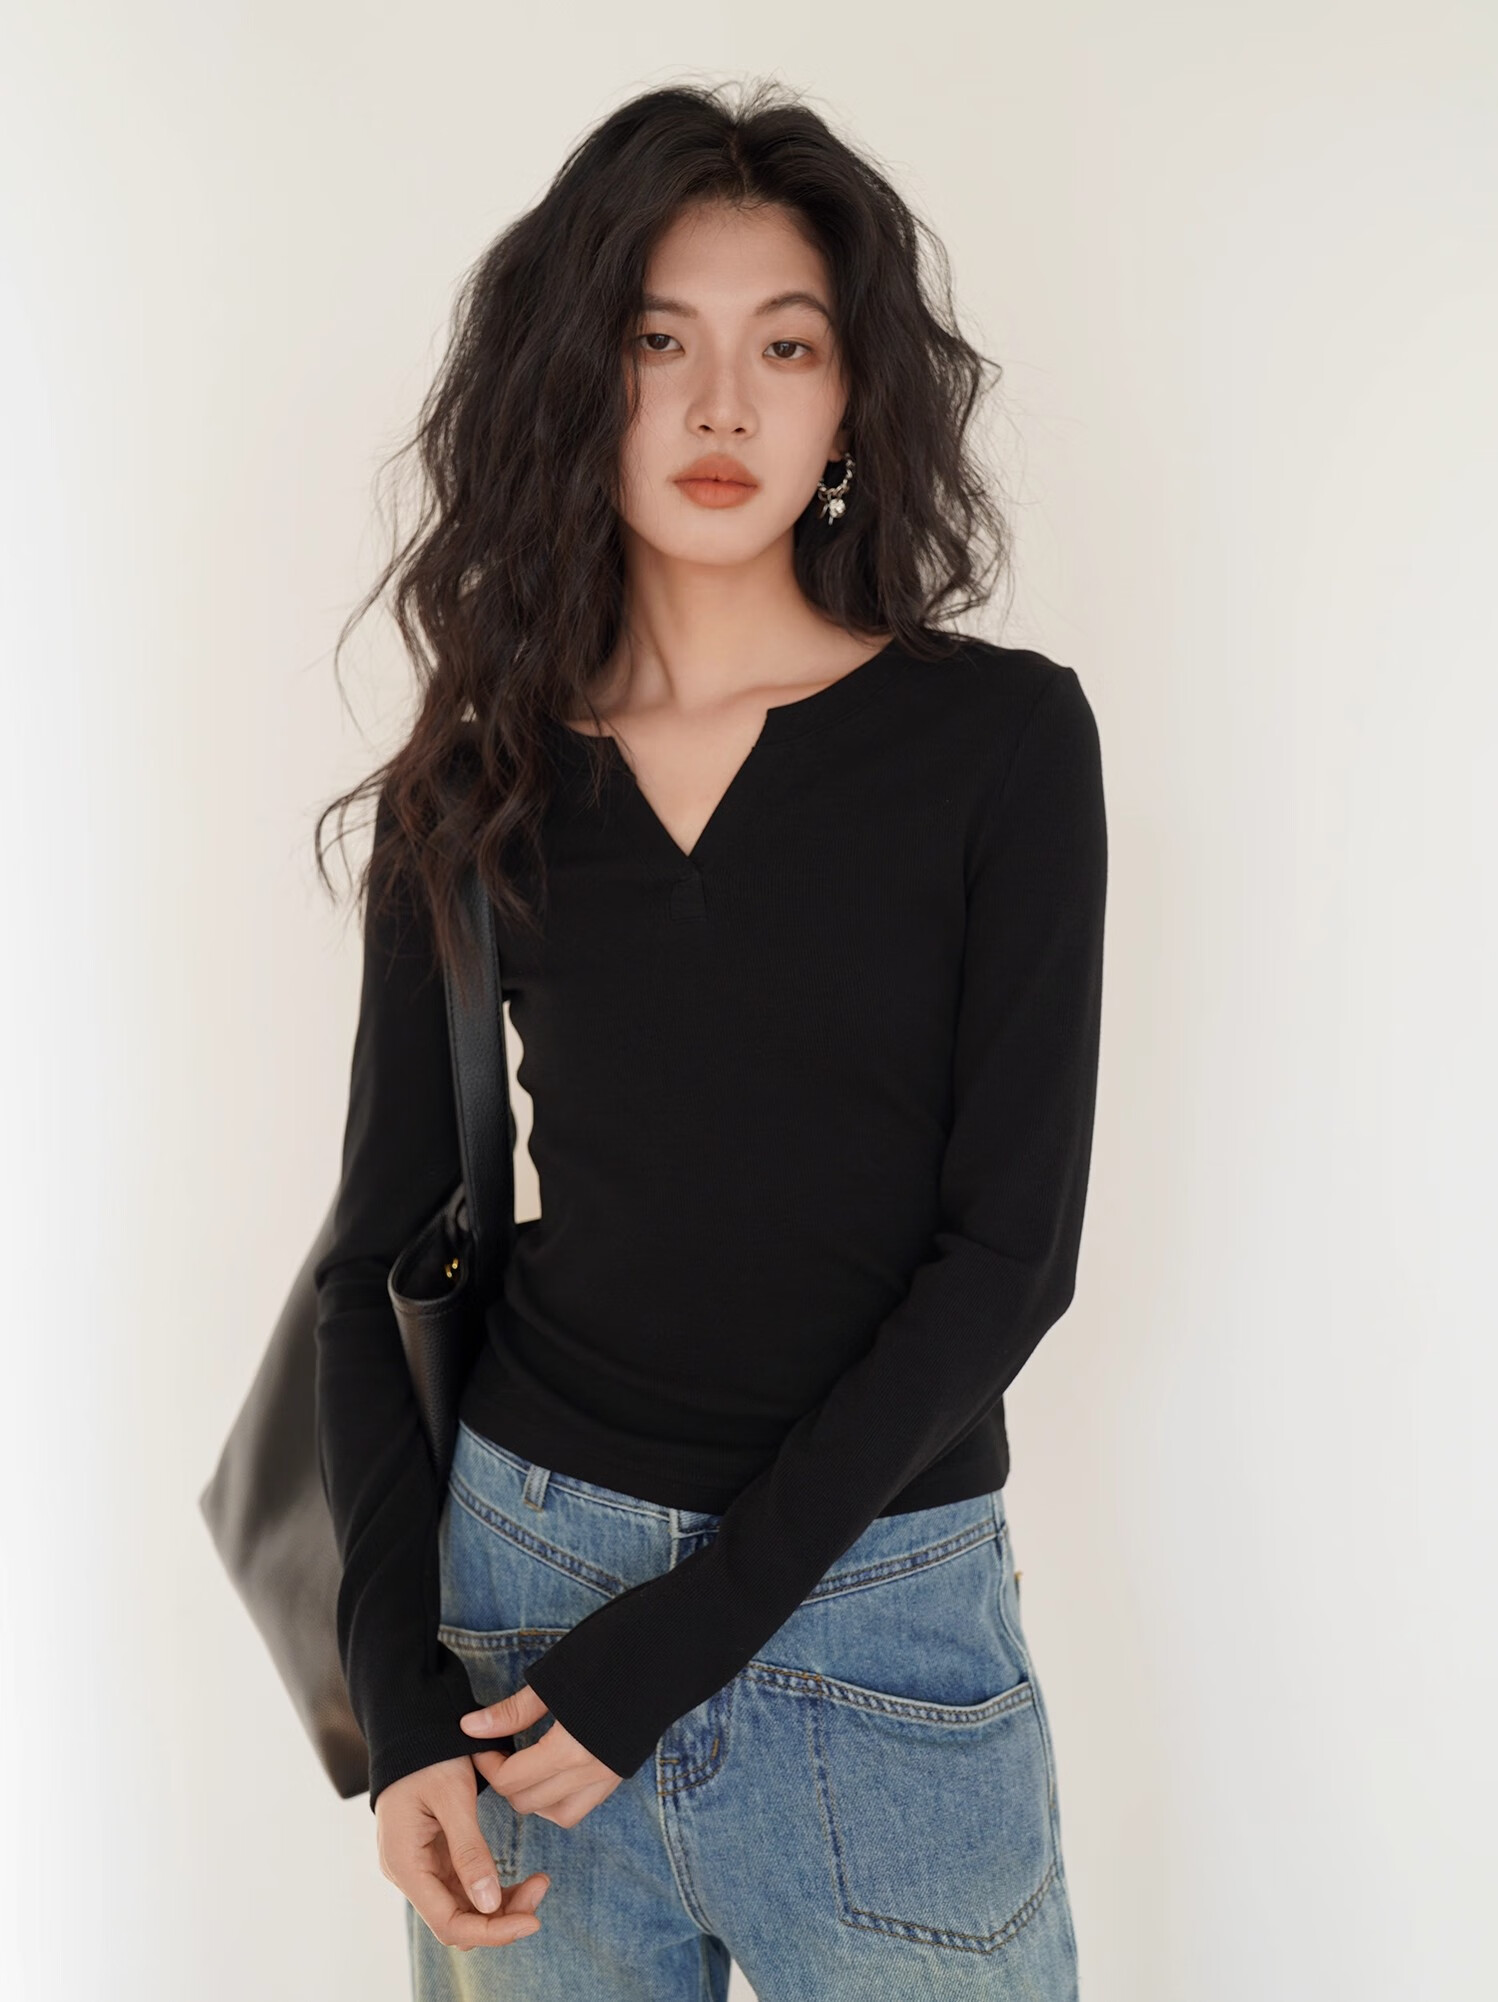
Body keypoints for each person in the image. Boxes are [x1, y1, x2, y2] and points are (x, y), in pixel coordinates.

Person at [311, 77, 1107, 2002]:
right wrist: (399, 1705)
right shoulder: (476, 780)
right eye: (658, 341)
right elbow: (372, 1260)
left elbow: (1011, 1256)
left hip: (879, 1619)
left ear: (854, 404)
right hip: (522, 1614)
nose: (722, 406)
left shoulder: (1000, 743)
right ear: (576, 382)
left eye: (787, 345)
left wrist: (674, 1649)